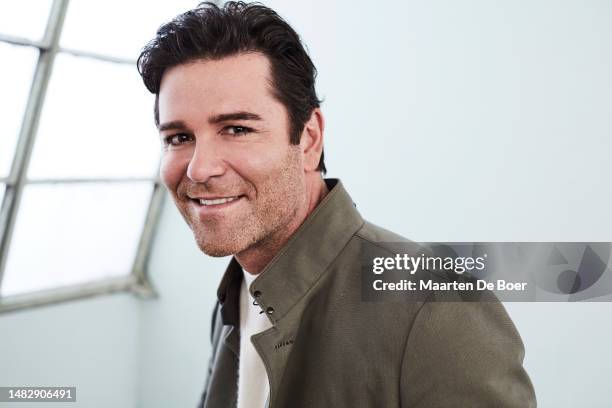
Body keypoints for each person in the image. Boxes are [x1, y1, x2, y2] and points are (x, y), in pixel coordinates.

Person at [137, 2, 536, 407]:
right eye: (179, 138)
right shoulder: (239, 288)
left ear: (309, 139)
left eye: (237, 129)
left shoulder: (437, 305)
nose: (199, 169)